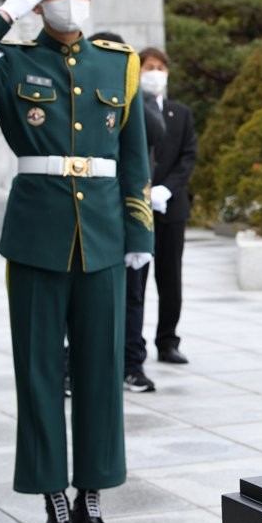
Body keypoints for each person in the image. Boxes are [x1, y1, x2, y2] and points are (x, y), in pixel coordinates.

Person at [0, 0, 154, 523]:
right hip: (36, 235)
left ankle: (93, 492)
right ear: (37, 1)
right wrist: (6, 13)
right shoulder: (8, 63)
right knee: (37, 371)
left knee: (101, 371)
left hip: (106, 235)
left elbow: (135, 159)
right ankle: (50, 491)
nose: (71, 2)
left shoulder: (120, 63)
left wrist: (141, 232)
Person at [89, 31, 166, 394]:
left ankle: (131, 364)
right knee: (86, 294)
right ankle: (77, 363)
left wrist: (134, 87)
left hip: (132, 210)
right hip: (93, 211)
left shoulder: (134, 93)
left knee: (134, 292)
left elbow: (156, 128)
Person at [125, 46, 197, 379]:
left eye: (160, 67)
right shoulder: (130, 107)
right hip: (138, 207)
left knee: (170, 278)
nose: (155, 73)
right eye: (148, 67)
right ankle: (131, 348)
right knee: (135, 280)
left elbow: (188, 155)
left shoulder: (179, 112)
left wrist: (166, 189)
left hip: (171, 206)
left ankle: (167, 341)